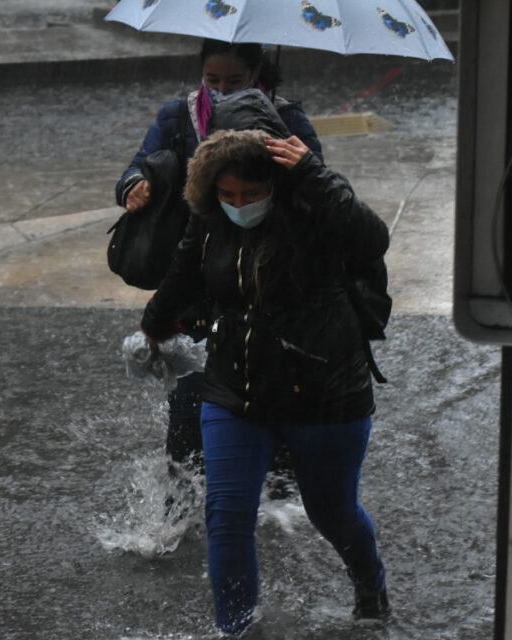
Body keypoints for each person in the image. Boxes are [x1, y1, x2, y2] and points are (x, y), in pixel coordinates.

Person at [139, 122, 391, 634]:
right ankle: (236, 628)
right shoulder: (210, 219)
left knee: (332, 512)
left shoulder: (314, 208)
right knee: (228, 515)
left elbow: (372, 239)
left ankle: (371, 587)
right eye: (228, 195)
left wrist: (313, 173)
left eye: (252, 194)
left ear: (275, 186)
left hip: (325, 393)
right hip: (235, 389)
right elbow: (183, 273)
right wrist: (152, 329)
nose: (239, 204)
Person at [116, 39, 322, 478]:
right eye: (213, 80)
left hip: (267, 283)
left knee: (271, 397)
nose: (222, 90)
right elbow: (137, 167)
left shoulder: (285, 118)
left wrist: (295, 167)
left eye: (235, 81)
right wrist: (135, 186)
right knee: (190, 411)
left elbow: (319, 188)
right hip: (197, 281)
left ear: (256, 74)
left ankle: (276, 490)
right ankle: (185, 492)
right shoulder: (179, 116)